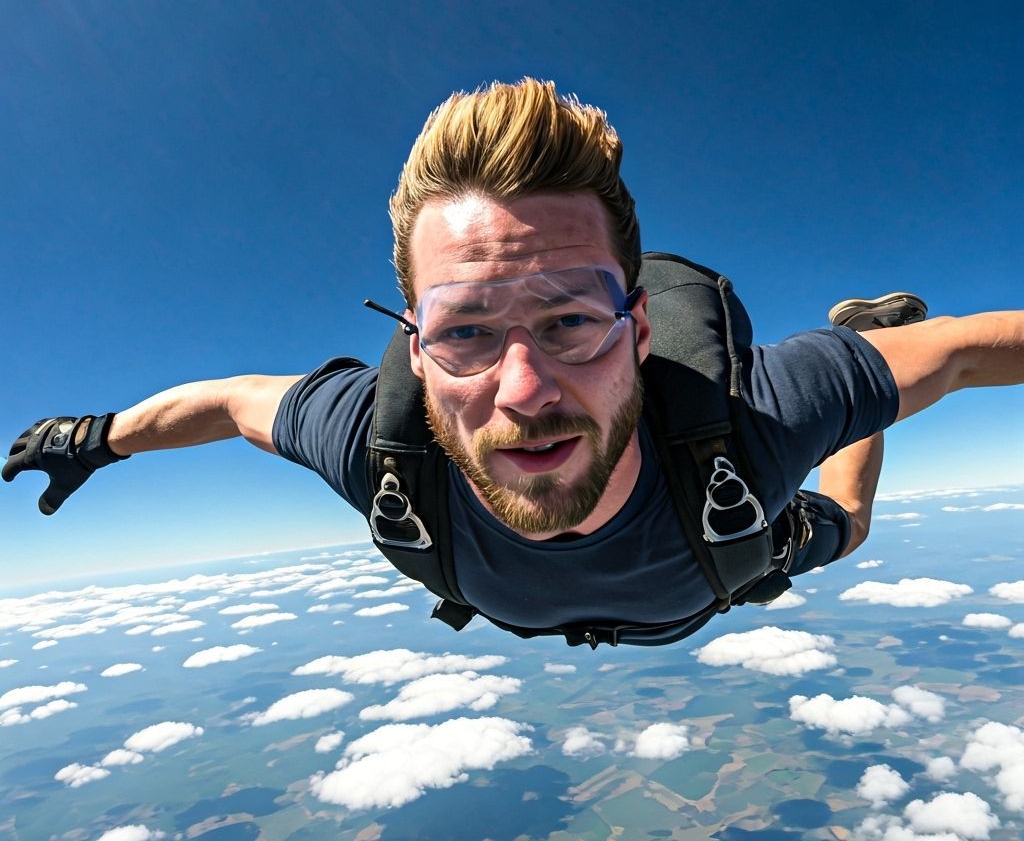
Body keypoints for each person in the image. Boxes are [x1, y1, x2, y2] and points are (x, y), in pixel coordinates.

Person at [4, 80, 1022, 647]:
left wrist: (870, 367)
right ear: (415, 346)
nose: (523, 391)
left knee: (839, 528)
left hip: (730, 556)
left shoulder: (750, 417)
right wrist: (95, 438)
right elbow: (231, 402)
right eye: (465, 331)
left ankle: (862, 334)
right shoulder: (382, 448)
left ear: (639, 331)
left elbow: (968, 356)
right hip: (687, 576)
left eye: (570, 321)